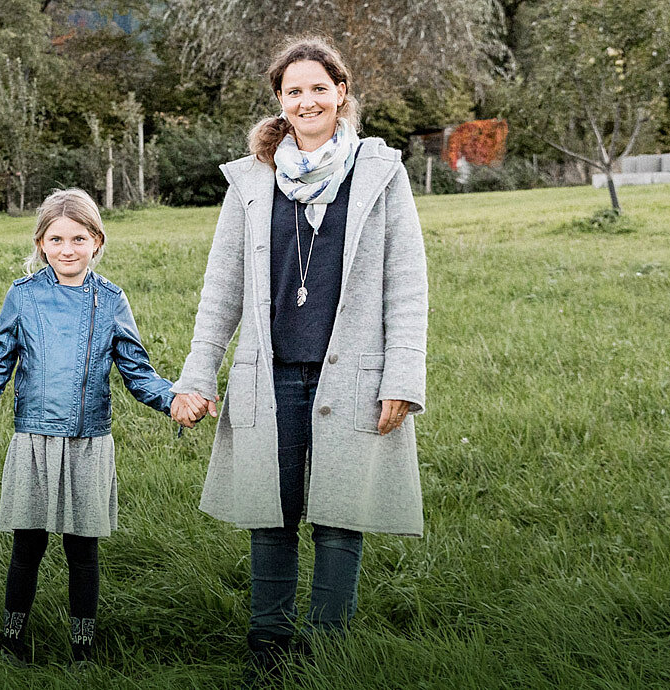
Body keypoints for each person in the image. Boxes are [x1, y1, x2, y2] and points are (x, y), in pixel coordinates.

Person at [167, 38, 429, 686]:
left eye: (319, 88)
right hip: (272, 372)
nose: (307, 100)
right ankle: (269, 649)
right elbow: (221, 286)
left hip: (354, 372)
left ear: (341, 92)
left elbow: (408, 281)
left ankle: (330, 649)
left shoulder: (379, 170)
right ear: (280, 101)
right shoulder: (251, 180)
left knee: (340, 517)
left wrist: (402, 378)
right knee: (271, 515)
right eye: (294, 91)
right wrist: (198, 375)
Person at [0, 188, 177, 666]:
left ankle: (83, 648)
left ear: (97, 240)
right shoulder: (23, 296)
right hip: (33, 439)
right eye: (56, 239)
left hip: (88, 442)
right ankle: (11, 642)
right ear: (40, 244)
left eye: (79, 238)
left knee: (83, 548)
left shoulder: (112, 300)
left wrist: (176, 400)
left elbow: (138, 373)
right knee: (28, 544)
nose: (67, 249)